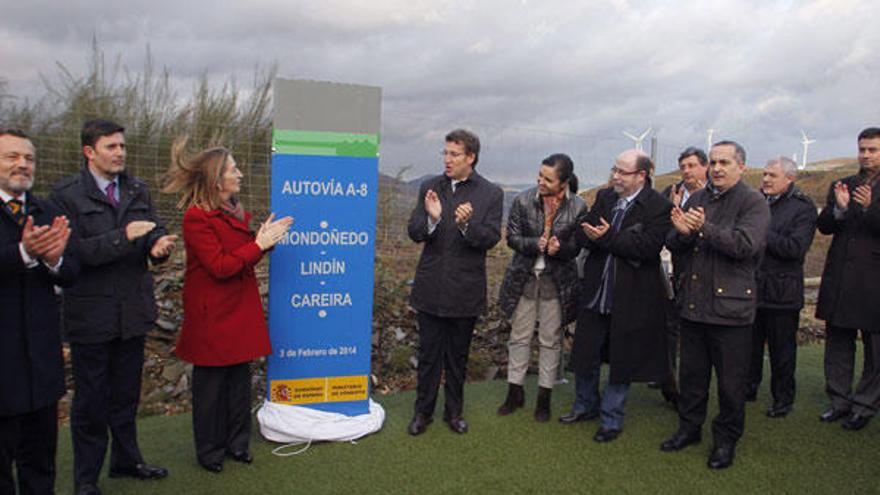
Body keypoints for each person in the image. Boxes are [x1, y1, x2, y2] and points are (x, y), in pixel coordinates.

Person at [51, 119, 178, 495]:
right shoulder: (65, 196)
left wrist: (156, 247)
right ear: (89, 152)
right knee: (91, 401)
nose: (120, 153)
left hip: (132, 312)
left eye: (122, 146)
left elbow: (152, 230)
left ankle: (127, 460)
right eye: (111, 147)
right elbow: (73, 254)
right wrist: (123, 237)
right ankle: (86, 479)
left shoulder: (136, 189)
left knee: (126, 395)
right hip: (91, 315)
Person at [162, 139, 292, 472]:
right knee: (211, 391)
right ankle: (209, 451)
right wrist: (258, 244)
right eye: (234, 169)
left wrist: (265, 241)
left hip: (237, 310)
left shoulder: (233, 213)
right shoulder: (197, 219)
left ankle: (237, 444)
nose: (240, 174)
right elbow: (220, 266)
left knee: (238, 383)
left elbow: (242, 256)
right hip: (213, 316)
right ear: (216, 179)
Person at [661, 140, 769, 470]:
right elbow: (676, 243)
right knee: (692, 377)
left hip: (731, 310)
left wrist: (702, 228)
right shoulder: (699, 197)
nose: (718, 168)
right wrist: (680, 233)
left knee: (731, 384)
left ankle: (725, 441)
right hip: (693, 305)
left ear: (741, 167)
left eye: (725, 162)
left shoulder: (754, 203)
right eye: (715, 162)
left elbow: (745, 245)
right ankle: (689, 429)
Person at [568, 150, 671, 443]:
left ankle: (611, 419)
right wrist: (595, 236)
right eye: (615, 169)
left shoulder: (657, 206)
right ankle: (585, 406)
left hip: (632, 296)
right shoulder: (605, 198)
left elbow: (648, 247)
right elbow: (583, 231)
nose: (615, 176)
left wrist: (608, 238)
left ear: (641, 175)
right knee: (585, 353)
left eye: (622, 172)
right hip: (596, 291)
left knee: (622, 359)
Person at [406, 129, 503, 435]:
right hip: (431, 287)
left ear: (470, 157)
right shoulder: (430, 187)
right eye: (445, 153)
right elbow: (414, 231)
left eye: (454, 154)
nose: (447, 160)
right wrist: (433, 219)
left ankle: (454, 413)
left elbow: (489, 238)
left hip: (465, 291)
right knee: (428, 356)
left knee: (457, 358)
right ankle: (422, 413)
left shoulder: (490, 193)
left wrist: (466, 225)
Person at [0, 129, 77, 494]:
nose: (22, 164)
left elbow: (73, 270)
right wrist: (24, 253)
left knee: (41, 464)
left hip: (41, 365)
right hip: (3, 365)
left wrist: (54, 258)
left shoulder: (46, 210)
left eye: (28, 158)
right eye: (11, 157)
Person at [497, 154, 587, 422]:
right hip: (524, 278)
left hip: (557, 283)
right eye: (539, 175)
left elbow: (577, 246)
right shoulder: (523, 200)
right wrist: (534, 243)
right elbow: (511, 238)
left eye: (548, 179)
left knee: (550, 340)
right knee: (519, 336)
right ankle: (515, 392)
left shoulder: (579, 207)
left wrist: (562, 249)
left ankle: (544, 396)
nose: (541, 181)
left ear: (564, 182)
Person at [815, 127, 880, 431]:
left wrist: (869, 209)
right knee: (838, 342)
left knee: (874, 348)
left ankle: (865, 405)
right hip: (841, 275)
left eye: (873, 150)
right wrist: (839, 210)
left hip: (873, 280)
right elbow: (825, 225)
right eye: (862, 149)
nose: (866, 155)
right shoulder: (844, 185)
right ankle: (839, 400)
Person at [746, 156, 817, 418]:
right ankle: (748, 388)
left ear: (790, 178)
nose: (765, 179)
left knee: (781, 351)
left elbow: (795, 248)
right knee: (750, 346)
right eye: (764, 174)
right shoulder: (756, 202)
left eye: (772, 176)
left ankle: (782, 399)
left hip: (782, 292)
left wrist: (762, 233)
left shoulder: (803, 208)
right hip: (753, 287)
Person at [652, 147, 710, 401]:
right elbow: (665, 233)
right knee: (669, 326)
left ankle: (694, 382)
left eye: (692, 165)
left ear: (705, 166)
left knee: (696, 332)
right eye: (683, 166)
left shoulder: (713, 195)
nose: (686, 171)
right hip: (674, 269)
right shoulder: (671, 193)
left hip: (706, 273)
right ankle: (668, 378)